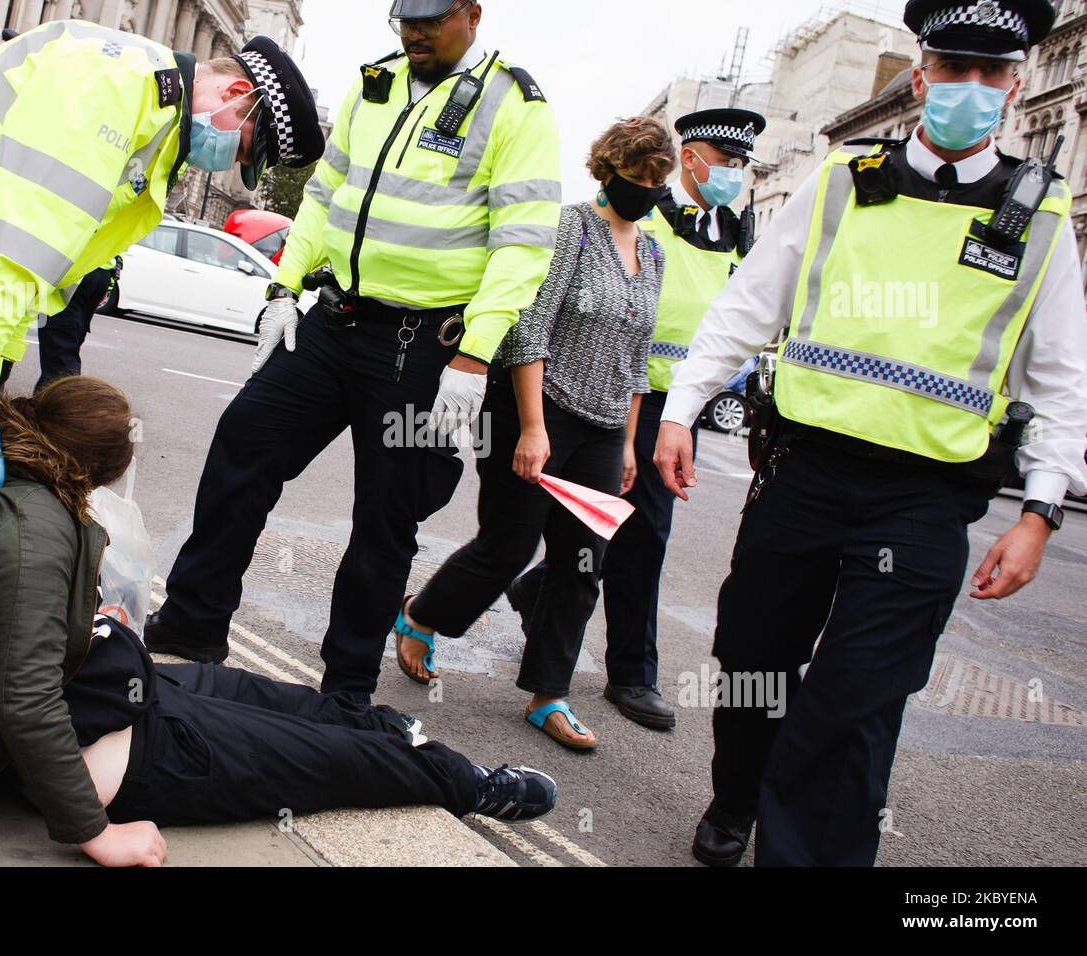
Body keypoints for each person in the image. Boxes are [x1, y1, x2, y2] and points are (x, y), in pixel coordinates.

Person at [0, 20, 323, 798]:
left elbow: (37, 274)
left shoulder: (148, 124)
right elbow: (18, 247)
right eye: (246, 150)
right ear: (236, 95)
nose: (234, 165)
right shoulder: (112, 89)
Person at [654, 0, 1087, 867]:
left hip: (925, 501)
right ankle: (737, 793)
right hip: (805, 473)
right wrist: (680, 409)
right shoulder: (843, 181)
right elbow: (750, 306)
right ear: (920, 74)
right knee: (752, 662)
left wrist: (1040, 508)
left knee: (856, 702)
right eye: (952, 67)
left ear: (1013, 87)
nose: (969, 87)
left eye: (991, 72)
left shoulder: (1039, 216)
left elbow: (1060, 376)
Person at [0, 376, 558, 865]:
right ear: (98, 465)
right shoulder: (37, 536)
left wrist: (86, 618)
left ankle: (381, 726)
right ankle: (472, 784)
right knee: (323, 764)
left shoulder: (22, 486)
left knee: (284, 701)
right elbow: (24, 698)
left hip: (108, 687)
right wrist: (97, 833)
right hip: (107, 744)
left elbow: (18, 637)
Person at [145, 0, 563, 703]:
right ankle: (191, 627)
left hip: (423, 347)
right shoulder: (374, 84)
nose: (415, 33)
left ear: (472, 13)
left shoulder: (516, 107)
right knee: (242, 448)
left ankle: (346, 690)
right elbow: (325, 200)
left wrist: (474, 357)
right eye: (406, 19)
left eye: (432, 20)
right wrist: (283, 288)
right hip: (333, 321)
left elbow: (522, 249)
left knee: (385, 520)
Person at [393, 117, 673, 750]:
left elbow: (637, 352)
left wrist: (629, 442)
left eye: (658, 180)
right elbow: (530, 329)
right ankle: (419, 615)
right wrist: (532, 428)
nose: (648, 190)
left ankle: (549, 695)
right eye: (637, 177)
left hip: (605, 424)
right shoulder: (571, 228)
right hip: (532, 410)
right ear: (606, 170)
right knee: (508, 545)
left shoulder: (652, 250)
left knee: (582, 563)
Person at [510, 109, 766, 733]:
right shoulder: (649, 212)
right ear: (691, 157)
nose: (730, 174)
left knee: (624, 530)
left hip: (679, 402)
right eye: (721, 161)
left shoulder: (735, 230)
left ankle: (557, 614)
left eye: (740, 165)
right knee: (629, 532)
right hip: (622, 393)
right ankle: (630, 673)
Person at [34, 257, 121, 392]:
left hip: (73, 270)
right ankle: (46, 403)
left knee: (60, 354)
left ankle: (65, 408)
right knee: (62, 348)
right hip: (101, 271)